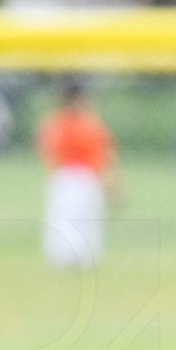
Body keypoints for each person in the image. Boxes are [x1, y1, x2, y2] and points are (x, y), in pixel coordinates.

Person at [35, 79, 118, 269]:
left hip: (80, 177)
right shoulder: (77, 124)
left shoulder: (65, 123)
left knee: (79, 219)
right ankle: (68, 257)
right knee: (69, 219)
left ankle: (77, 258)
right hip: (70, 176)